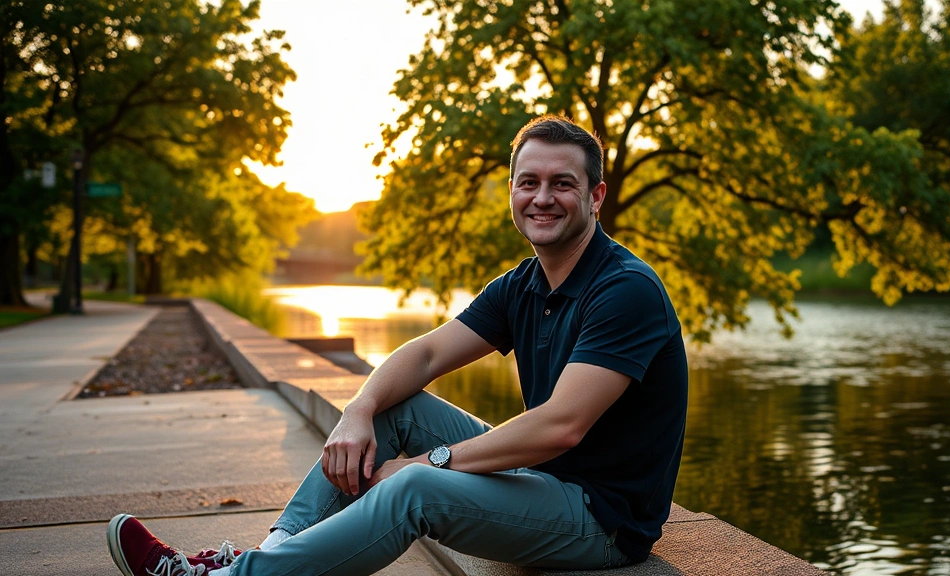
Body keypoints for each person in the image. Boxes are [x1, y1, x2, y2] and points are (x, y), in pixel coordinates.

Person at [107, 116, 689, 576]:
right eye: (528, 182)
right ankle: (272, 552)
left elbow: (561, 426)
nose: (543, 197)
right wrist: (358, 413)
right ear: (511, 192)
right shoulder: (525, 283)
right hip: (545, 482)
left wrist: (426, 461)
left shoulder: (625, 289)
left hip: (601, 522)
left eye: (563, 183)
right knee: (396, 406)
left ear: (595, 196)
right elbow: (427, 355)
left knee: (414, 484)